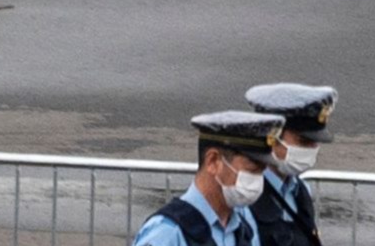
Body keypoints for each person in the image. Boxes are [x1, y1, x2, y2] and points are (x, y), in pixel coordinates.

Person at [142, 111, 282, 246]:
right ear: (213, 161)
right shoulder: (167, 234)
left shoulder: (243, 228)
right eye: (251, 170)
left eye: (261, 172)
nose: (258, 181)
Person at [238, 86, 337, 246]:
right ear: (272, 136)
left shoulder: (300, 189)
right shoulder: (243, 196)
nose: (311, 149)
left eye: (315, 142)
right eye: (303, 142)